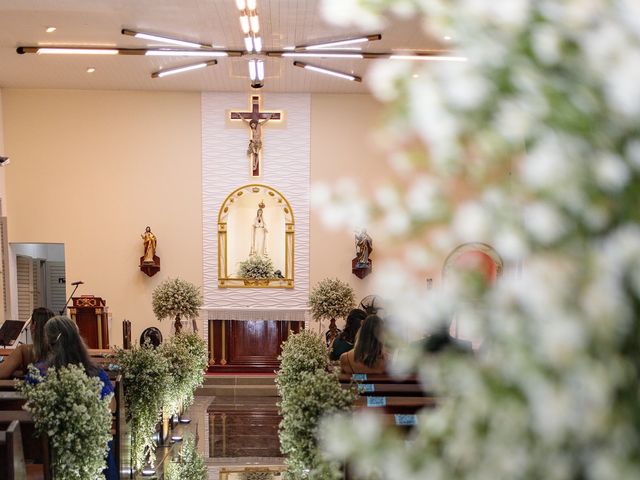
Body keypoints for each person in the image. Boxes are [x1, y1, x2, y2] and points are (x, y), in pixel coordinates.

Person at [37, 316, 117, 480]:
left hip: (49, 451)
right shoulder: (94, 372)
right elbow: (111, 407)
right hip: (93, 447)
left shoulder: (39, 373)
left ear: (47, 340)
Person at [0, 307, 54, 379]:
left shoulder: (24, 350)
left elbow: (2, 372)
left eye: (30, 323)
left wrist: (13, 372)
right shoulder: (60, 351)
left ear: (34, 325)